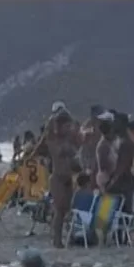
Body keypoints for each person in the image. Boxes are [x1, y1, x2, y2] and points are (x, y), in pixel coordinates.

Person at [46, 106, 79, 248]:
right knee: (59, 209)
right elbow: (49, 128)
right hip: (57, 177)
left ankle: (69, 235)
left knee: (68, 208)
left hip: (67, 176)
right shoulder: (54, 139)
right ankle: (57, 240)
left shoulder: (69, 140)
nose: (68, 128)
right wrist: (58, 114)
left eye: (69, 126)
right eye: (66, 126)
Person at [106, 112, 134, 213]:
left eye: (116, 122)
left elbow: (122, 167)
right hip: (120, 182)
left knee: (121, 216)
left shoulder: (126, 143)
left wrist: (112, 183)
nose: (113, 124)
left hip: (123, 184)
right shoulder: (119, 141)